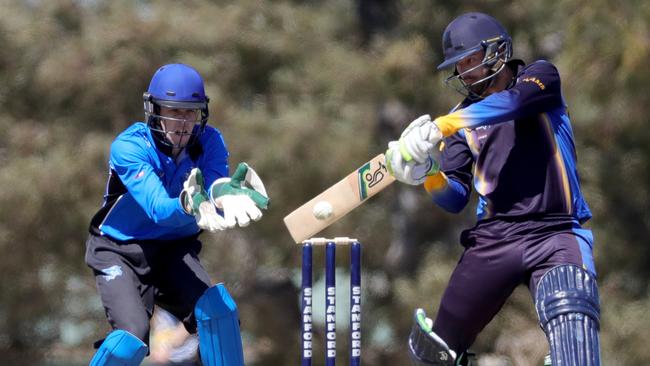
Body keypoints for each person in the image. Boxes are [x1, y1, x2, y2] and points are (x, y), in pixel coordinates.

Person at [384, 12, 600, 366]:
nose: (466, 72)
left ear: (497, 52)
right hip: (494, 240)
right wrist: (428, 174)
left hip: (555, 232)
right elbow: (454, 198)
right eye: (459, 66)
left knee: (575, 338)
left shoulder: (539, 77)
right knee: (436, 353)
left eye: (471, 60)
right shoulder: (460, 120)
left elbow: (513, 104)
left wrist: (442, 126)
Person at [85, 63, 269, 366]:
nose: (183, 122)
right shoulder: (130, 147)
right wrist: (187, 203)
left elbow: (213, 187)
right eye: (174, 111)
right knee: (130, 339)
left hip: (174, 251)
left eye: (190, 112)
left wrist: (224, 194)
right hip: (120, 250)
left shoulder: (210, 141)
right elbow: (158, 209)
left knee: (219, 314)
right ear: (155, 109)